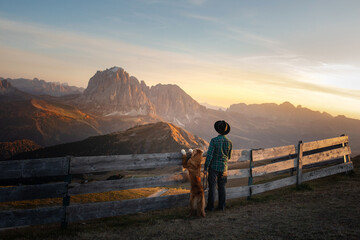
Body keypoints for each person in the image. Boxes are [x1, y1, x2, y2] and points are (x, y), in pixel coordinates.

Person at [204, 120, 232, 211]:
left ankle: (210, 207)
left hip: (213, 167)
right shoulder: (229, 142)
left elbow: (209, 155)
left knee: (212, 187)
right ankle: (221, 206)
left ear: (217, 130)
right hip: (224, 168)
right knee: (222, 186)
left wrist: (205, 167)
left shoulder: (214, 141)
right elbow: (229, 156)